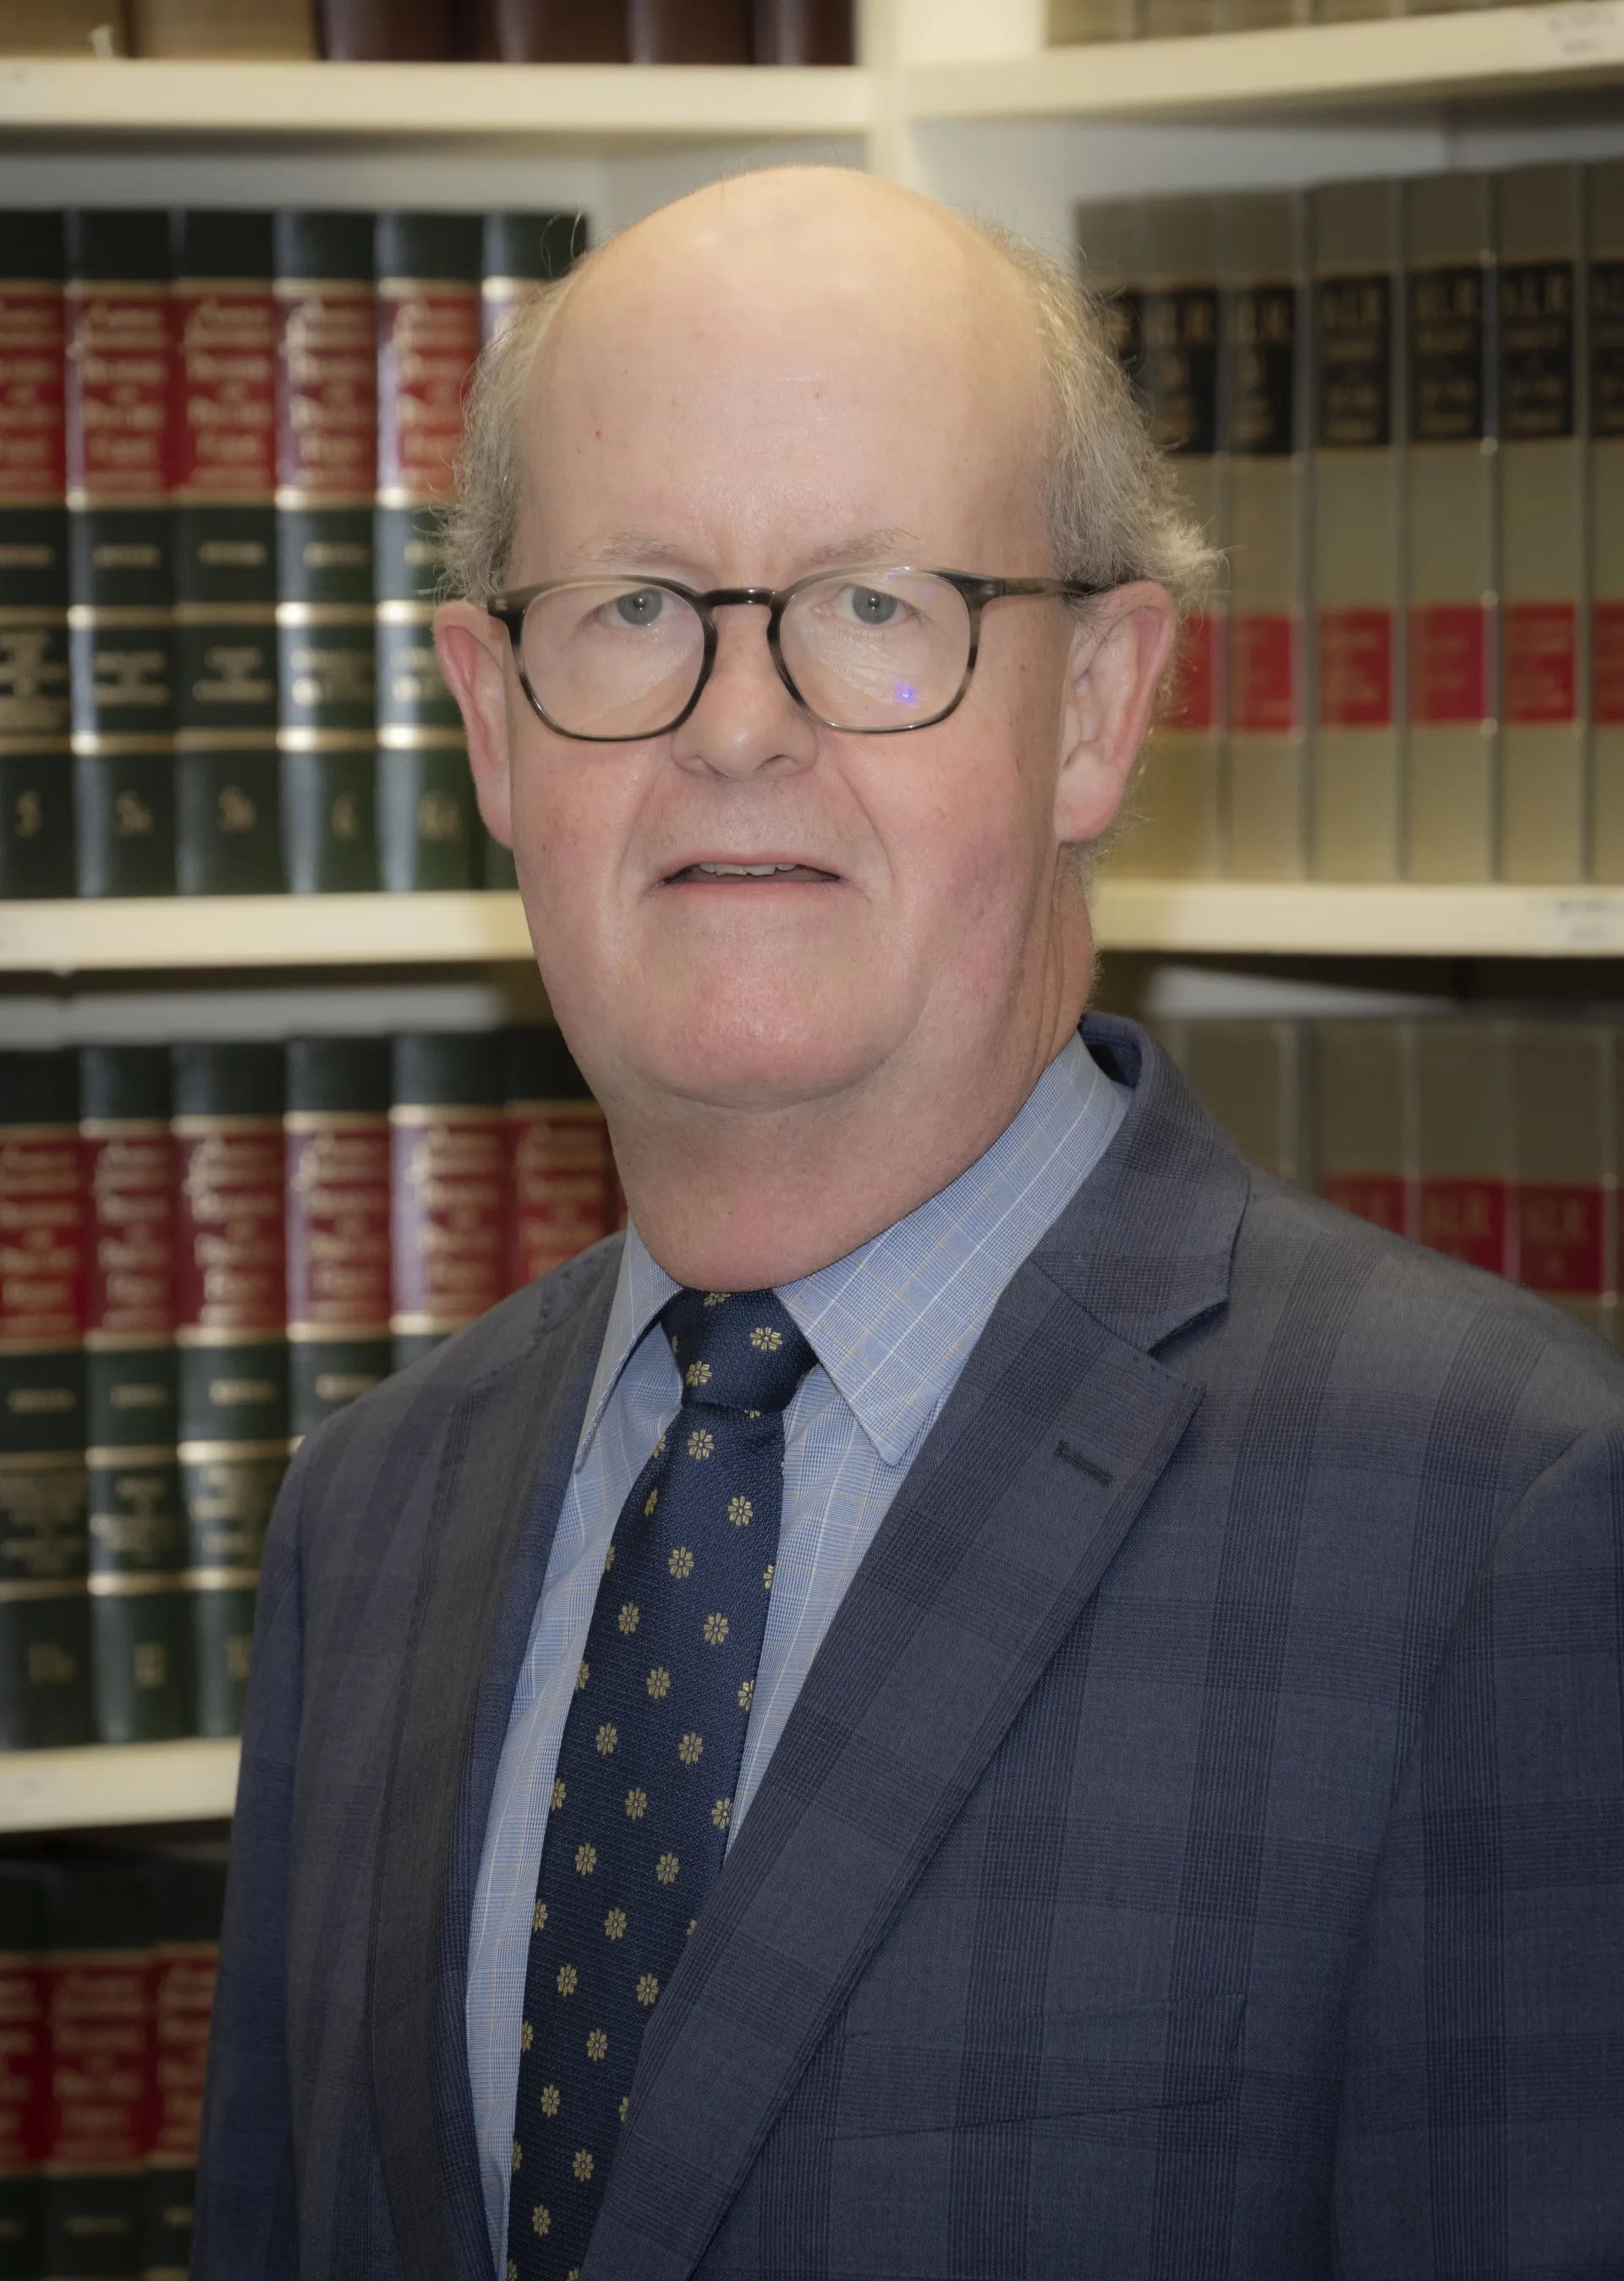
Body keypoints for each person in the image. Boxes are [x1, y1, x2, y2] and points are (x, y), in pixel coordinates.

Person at [194, 167, 1624, 2281]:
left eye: (877, 608)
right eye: (635, 607)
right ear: (493, 727)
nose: (739, 724)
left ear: (1098, 709)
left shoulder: (1505, 1519)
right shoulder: (372, 1515)